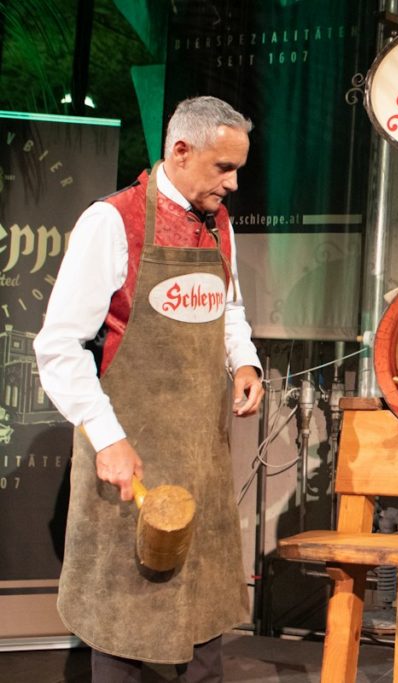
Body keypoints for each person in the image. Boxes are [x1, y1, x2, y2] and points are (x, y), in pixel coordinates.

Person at [35, 96, 264, 681]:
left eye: (239, 168)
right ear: (181, 151)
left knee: (205, 616)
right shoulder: (112, 222)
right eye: (223, 168)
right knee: (124, 617)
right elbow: (58, 348)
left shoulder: (218, 223)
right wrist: (108, 439)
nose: (234, 183)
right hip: (129, 462)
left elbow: (228, 308)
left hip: (201, 460)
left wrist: (245, 362)